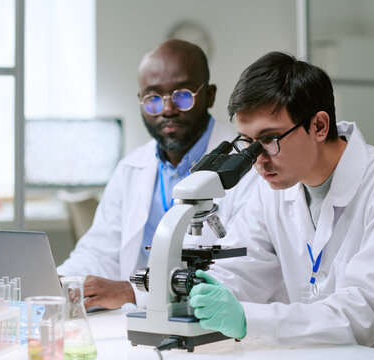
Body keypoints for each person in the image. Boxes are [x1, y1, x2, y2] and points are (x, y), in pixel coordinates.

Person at [188, 52, 374, 360]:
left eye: (268, 139)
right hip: (319, 350)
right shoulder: (274, 189)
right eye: (247, 142)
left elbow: (363, 314)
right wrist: (205, 288)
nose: (258, 159)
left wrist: (247, 319)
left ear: (319, 126)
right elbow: (240, 271)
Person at [57, 39, 257, 310]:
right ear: (141, 101)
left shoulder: (247, 165)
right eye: (153, 98)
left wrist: (133, 292)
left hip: (211, 324)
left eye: (182, 95)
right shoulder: (131, 168)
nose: (167, 110)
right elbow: (99, 250)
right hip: (134, 322)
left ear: (209, 95)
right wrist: (65, 281)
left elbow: (244, 270)